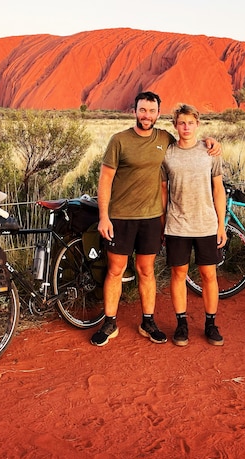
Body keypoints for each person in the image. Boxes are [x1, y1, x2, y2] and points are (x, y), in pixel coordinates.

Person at [90, 91, 220, 347]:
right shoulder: (119, 140)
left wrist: (211, 141)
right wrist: (104, 216)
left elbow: (189, 140)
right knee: (116, 270)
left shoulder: (165, 139)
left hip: (151, 218)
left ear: (158, 114)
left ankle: (147, 321)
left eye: (151, 111)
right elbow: (104, 179)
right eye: (142, 110)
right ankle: (109, 322)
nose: (146, 116)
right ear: (134, 111)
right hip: (120, 217)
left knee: (146, 271)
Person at [160, 104, 227, 346]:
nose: (186, 127)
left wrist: (221, 225)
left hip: (206, 225)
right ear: (175, 125)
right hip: (177, 224)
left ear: (197, 124)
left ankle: (211, 323)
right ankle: (181, 324)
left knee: (209, 274)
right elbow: (163, 191)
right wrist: (162, 222)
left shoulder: (210, 152)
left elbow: (218, 189)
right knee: (179, 274)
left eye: (190, 123)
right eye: (181, 123)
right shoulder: (167, 154)